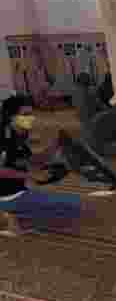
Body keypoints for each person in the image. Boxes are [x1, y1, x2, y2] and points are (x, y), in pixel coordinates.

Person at [0, 94, 87, 235]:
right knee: (72, 208)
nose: (30, 118)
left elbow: (34, 160)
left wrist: (56, 145)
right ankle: (9, 217)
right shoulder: (3, 137)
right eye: (25, 114)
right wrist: (30, 175)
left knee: (73, 205)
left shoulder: (19, 136)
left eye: (31, 114)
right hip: (7, 197)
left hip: (19, 193)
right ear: (11, 116)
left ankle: (17, 215)